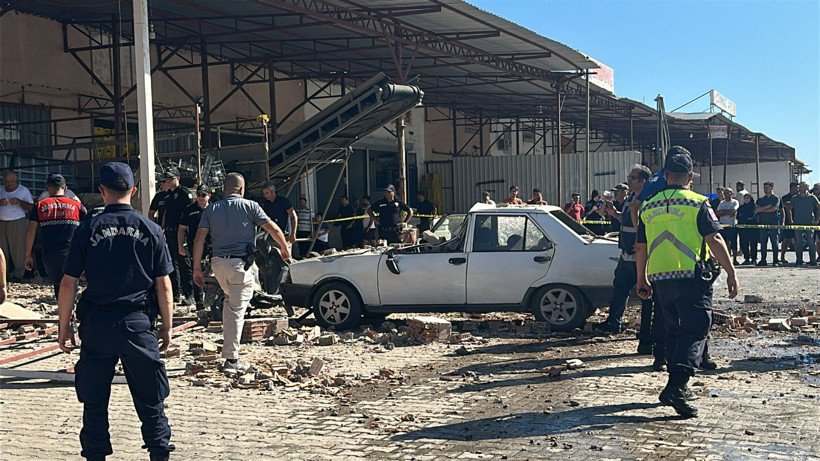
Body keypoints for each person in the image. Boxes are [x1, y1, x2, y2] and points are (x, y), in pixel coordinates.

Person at [57, 162, 176, 460]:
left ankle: (96, 454)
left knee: (94, 400)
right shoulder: (151, 230)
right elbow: (164, 286)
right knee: (151, 399)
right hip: (137, 323)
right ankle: (159, 452)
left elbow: (68, 283)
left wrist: (64, 326)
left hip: (98, 325)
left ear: (102, 191)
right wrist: (167, 326)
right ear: (133, 191)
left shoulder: (87, 229)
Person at [636, 147, 739, 418]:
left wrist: (641, 278)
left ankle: (675, 383)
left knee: (673, 331)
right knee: (696, 329)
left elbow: (640, 247)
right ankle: (677, 387)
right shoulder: (698, 202)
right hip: (691, 276)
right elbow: (714, 239)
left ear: (666, 175)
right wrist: (731, 272)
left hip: (660, 278)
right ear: (690, 176)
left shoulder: (648, 205)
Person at [193, 173, 290, 373]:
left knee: (230, 303)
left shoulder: (211, 209)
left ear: (224, 190)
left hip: (218, 264)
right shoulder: (251, 206)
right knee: (237, 311)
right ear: (242, 189)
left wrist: (196, 269)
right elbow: (272, 228)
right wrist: (284, 247)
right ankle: (231, 359)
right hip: (239, 265)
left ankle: (230, 353)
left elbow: (199, 239)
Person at [597, 165, 666, 369]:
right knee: (620, 288)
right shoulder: (630, 200)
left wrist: (641, 243)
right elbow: (625, 219)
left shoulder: (647, 199)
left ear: (643, 181)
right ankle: (614, 322)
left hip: (638, 255)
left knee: (646, 297)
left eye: (633, 178)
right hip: (626, 254)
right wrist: (615, 214)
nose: (629, 180)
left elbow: (645, 226)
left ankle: (647, 339)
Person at [24, 173, 86, 298]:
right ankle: (71, 305)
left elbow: (31, 231)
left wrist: (28, 255)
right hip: (71, 251)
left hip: (49, 253)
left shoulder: (39, 206)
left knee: (57, 283)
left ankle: (61, 305)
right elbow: (87, 226)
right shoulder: (77, 205)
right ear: (65, 188)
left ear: (48, 188)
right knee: (71, 282)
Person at [155, 169, 194, 305]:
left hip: (181, 232)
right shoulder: (167, 195)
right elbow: (165, 212)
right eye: (167, 179)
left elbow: (190, 212)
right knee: (171, 263)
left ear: (178, 178)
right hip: (169, 232)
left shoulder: (184, 193)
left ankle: (190, 294)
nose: (168, 181)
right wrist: (162, 228)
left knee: (184, 263)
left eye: (171, 179)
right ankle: (176, 294)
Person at [177, 184, 212, 310]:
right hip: (195, 245)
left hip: (212, 245)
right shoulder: (189, 209)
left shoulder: (214, 209)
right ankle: (199, 302)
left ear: (209, 196)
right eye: (198, 195)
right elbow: (181, 229)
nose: (201, 197)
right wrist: (180, 245)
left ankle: (212, 300)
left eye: (203, 195)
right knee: (197, 271)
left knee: (212, 272)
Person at [0, 170, 34, 281]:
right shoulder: (1, 190)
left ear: (16, 181)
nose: (9, 184)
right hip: (2, 221)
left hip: (17, 221)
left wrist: (20, 202)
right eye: (6, 182)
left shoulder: (23, 190)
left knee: (18, 249)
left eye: (11, 182)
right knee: (2, 249)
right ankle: (3, 274)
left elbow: (32, 207)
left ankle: (19, 274)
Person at [790, 182, 820, 266]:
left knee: (811, 243)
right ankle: (799, 261)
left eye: (803, 186)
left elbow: (819, 207)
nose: (801, 188)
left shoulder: (812, 197)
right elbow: (789, 208)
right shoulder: (795, 198)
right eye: (800, 187)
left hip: (809, 223)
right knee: (798, 243)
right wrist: (791, 219)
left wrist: (817, 219)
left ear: (807, 188)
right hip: (798, 223)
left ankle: (813, 261)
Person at [261, 181, 298, 246]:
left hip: (284, 234)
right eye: (264, 193)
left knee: (286, 251)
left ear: (273, 191)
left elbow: (293, 216)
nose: (265, 195)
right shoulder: (266, 204)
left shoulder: (284, 201)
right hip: (271, 234)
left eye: (267, 193)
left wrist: (293, 233)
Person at [755, 181, 780, 266]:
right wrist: (767, 206)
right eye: (764, 188)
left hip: (773, 223)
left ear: (772, 188)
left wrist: (762, 209)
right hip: (763, 223)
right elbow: (757, 209)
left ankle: (775, 260)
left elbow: (773, 209)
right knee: (763, 242)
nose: (765, 189)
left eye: (767, 188)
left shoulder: (775, 198)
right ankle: (763, 260)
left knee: (774, 242)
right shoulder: (761, 199)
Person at [715, 188, 740, 265]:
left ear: (731, 194)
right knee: (725, 243)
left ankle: (735, 259)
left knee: (733, 243)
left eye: (727, 193)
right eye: (725, 193)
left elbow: (733, 212)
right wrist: (727, 212)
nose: (725, 195)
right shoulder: (722, 203)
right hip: (723, 225)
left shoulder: (735, 202)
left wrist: (723, 212)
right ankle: (727, 259)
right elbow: (718, 212)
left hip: (732, 225)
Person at [779, 181, 799, 265]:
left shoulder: (799, 197)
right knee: (786, 240)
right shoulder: (785, 198)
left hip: (798, 221)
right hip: (788, 221)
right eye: (796, 188)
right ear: (791, 188)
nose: (797, 190)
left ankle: (799, 258)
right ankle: (782, 257)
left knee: (797, 240)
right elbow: (784, 208)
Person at [736, 193, 758, 265]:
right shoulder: (741, 208)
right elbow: (738, 217)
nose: (746, 200)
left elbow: (753, 217)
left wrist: (747, 218)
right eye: (744, 198)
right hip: (743, 229)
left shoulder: (754, 207)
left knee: (753, 243)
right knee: (744, 243)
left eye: (747, 198)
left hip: (752, 228)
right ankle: (747, 258)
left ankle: (754, 258)